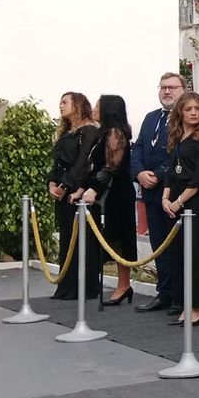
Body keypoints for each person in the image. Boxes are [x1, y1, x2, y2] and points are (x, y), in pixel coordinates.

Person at [163, 92, 199, 327]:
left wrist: (178, 201)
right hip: (175, 200)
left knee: (197, 254)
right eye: (188, 109)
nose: (194, 113)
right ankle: (183, 303)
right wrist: (166, 198)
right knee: (177, 254)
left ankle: (198, 306)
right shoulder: (176, 138)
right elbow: (170, 170)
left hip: (197, 202)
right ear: (180, 112)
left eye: (197, 108)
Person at [131, 73, 185, 313]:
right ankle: (163, 293)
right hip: (150, 193)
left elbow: (179, 154)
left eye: (172, 87)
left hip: (172, 194)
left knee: (176, 247)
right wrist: (140, 173)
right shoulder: (151, 118)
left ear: (183, 89)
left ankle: (178, 296)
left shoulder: (186, 118)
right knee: (158, 244)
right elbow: (138, 148)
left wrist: (159, 176)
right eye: (163, 87)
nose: (167, 91)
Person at [82, 95, 138, 306]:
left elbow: (111, 165)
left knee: (120, 238)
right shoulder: (102, 133)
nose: (94, 109)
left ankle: (124, 285)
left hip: (116, 192)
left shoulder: (115, 133)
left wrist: (94, 189)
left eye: (98, 105)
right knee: (112, 238)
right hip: (105, 190)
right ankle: (122, 285)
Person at [48, 92, 101, 300]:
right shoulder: (67, 132)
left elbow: (83, 163)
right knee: (67, 240)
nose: (61, 106)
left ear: (77, 104)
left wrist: (66, 185)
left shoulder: (88, 131)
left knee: (82, 240)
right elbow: (57, 162)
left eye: (65, 102)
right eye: (60, 102)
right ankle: (66, 285)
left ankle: (83, 287)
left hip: (78, 192)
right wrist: (52, 183)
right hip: (62, 193)